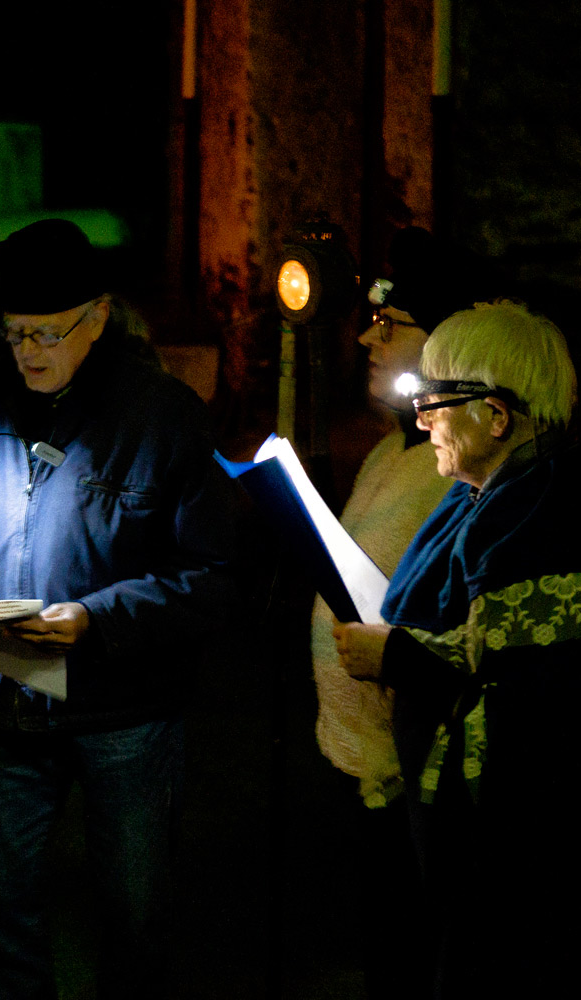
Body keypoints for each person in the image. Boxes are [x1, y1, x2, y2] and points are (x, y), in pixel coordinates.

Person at [0, 219, 237, 999]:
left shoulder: (162, 417)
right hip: (9, 695)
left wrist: (96, 619)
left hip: (127, 711)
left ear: (100, 317)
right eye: (15, 333)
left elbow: (211, 573)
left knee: (134, 914)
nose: (29, 353)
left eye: (47, 333)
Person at [334, 300, 580, 997]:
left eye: (435, 401)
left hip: (506, 842)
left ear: (496, 417)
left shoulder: (539, 512)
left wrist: (396, 658)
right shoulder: (483, 493)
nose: (421, 418)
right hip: (456, 823)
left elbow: (527, 679)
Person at [308, 228, 489, 995]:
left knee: (414, 953)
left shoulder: (461, 473)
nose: (365, 336)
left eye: (390, 324)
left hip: (409, 772)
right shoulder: (396, 450)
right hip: (362, 763)